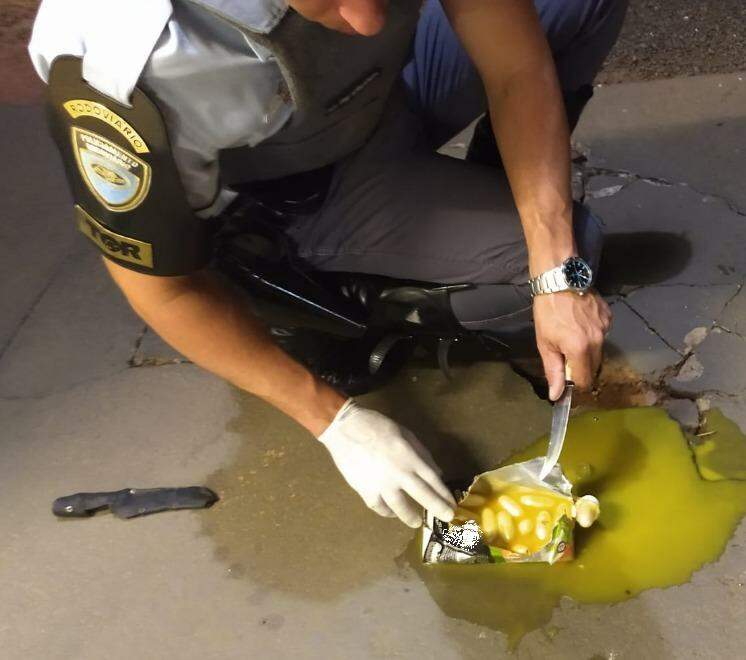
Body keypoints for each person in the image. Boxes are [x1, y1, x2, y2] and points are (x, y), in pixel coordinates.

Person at [29, 0, 620, 529]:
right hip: (293, 189)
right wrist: (334, 422)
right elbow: (162, 288)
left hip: (382, 94)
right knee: (577, 245)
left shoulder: (364, 13)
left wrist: (555, 272)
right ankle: (318, 298)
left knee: (579, 10)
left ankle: (475, 204)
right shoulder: (113, 63)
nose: (366, 19)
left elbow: (517, 67)